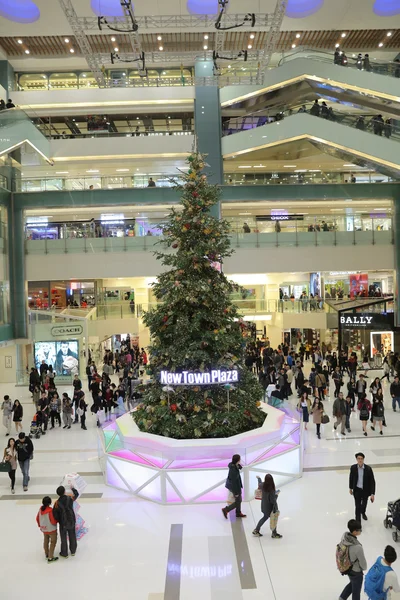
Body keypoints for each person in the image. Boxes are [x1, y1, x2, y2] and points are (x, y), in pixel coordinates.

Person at [338, 519, 367, 600]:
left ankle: (342, 598)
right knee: (356, 592)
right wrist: (363, 568)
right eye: (359, 530)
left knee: (352, 583)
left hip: (347, 567)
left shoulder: (344, 538)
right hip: (356, 571)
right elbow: (364, 565)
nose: (360, 531)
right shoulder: (357, 547)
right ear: (354, 532)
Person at [252, 474, 282, 538]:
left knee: (265, 517)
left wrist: (259, 479)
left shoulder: (263, 485)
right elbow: (272, 501)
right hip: (270, 508)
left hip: (263, 506)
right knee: (274, 519)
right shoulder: (271, 489)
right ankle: (274, 533)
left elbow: (259, 484)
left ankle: (256, 530)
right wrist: (276, 495)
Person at [53, 485, 79, 558]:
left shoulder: (56, 503)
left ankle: (64, 553)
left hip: (63, 523)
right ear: (64, 491)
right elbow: (76, 495)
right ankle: (73, 551)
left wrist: (59, 520)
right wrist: (73, 488)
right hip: (71, 520)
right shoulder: (70, 498)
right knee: (72, 536)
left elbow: (55, 514)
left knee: (63, 538)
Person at [349, 452, 375, 523]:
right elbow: (351, 478)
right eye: (358, 459)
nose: (360, 460)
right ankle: (358, 523)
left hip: (365, 491)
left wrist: (372, 494)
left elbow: (372, 481)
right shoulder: (353, 468)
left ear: (363, 459)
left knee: (364, 504)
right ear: (356, 459)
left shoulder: (368, 469)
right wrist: (350, 488)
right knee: (357, 507)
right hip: (357, 490)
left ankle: (363, 512)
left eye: (361, 459)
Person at [222, 454, 246, 519]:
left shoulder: (233, 465)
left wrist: (239, 466)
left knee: (239, 500)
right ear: (238, 460)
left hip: (235, 485)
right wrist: (236, 493)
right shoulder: (233, 471)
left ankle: (238, 512)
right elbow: (234, 483)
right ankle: (226, 509)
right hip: (235, 487)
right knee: (238, 501)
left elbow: (237, 466)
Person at [36, 496, 59, 563]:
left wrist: (40, 526)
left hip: (44, 529)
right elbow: (53, 521)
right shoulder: (50, 510)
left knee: (46, 541)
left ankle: (47, 554)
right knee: (53, 542)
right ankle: (50, 557)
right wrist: (56, 522)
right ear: (50, 503)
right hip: (51, 529)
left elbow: (37, 518)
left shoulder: (40, 509)